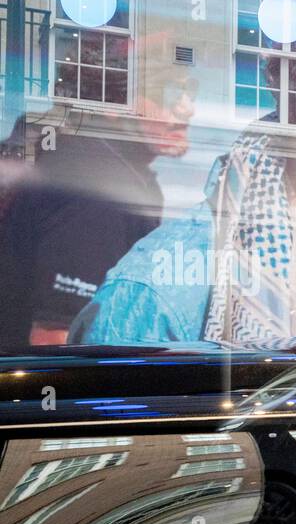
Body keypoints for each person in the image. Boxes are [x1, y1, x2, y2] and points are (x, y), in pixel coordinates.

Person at [0, 87, 195, 349]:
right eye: (168, 92)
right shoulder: (96, 184)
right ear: (114, 105)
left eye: (190, 93)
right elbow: (56, 341)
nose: (186, 108)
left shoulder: (114, 170)